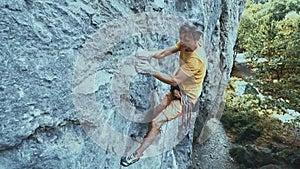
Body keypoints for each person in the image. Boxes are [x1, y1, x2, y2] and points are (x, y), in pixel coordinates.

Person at [120, 22, 207, 167]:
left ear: (196, 39)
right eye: (182, 39)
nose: (183, 44)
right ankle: (148, 137)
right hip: (178, 91)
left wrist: (151, 70)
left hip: (185, 100)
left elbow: (174, 80)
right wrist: (148, 54)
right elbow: (164, 52)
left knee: (156, 121)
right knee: (155, 112)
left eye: (187, 41)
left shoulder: (196, 60)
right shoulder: (186, 41)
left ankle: (137, 155)